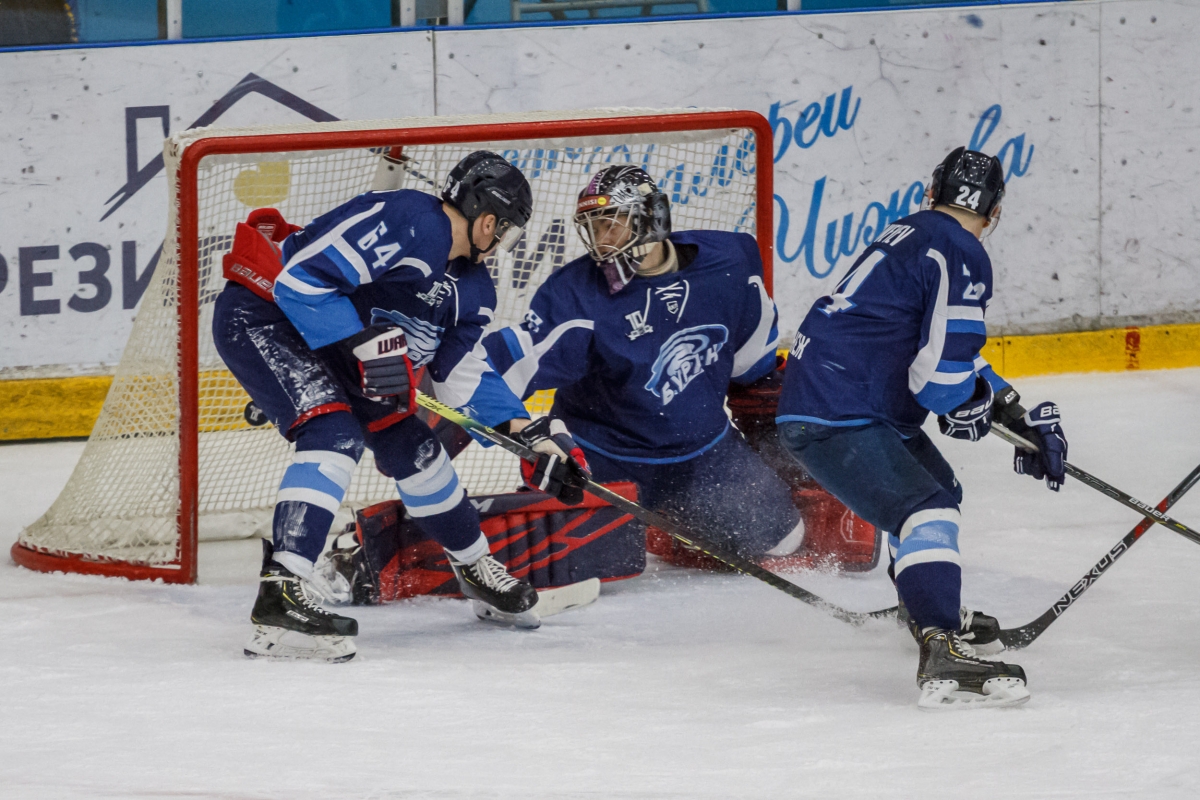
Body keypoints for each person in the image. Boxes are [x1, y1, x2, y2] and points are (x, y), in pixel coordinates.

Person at [212, 151, 589, 662]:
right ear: (487, 218)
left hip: (339, 350)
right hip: (265, 314)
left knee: (416, 449)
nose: (502, 243)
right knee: (334, 434)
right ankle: (282, 591)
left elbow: (459, 372)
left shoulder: (473, 287)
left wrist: (530, 434)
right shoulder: (414, 220)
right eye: (505, 229)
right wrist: (362, 345)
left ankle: (476, 568)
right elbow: (300, 281)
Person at [775, 147, 1068, 709]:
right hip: (843, 411)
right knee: (924, 509)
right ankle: (940, 647)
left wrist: (1007, 406)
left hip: (842, 400)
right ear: (997, 210)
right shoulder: (963, 251)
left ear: (929, 192)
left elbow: (927, 343)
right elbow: (941, 385)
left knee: (941, 492)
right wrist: (971, 406)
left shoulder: (911, 233)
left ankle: (920, 602)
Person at [481, 165, 808, 562]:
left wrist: (781, 437)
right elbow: (490, 371)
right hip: (602, 461)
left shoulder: (731, 262)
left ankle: (669, 535)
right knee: (581, 563)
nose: (601, 240)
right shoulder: (577, 294)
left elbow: (752, 365)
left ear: (651, 218)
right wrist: (533, 438)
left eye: (611, 225)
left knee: (783, 542)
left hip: (705, 453)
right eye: (593, 228)